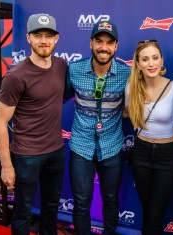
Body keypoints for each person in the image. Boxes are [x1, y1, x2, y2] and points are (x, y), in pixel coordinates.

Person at [0, 13, 67, 235]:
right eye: (37, 35)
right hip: (26, 155)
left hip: (56, 151)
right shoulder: (16, 76)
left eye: (48, 35)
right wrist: (7, 166)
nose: (43, 41)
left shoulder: (62, 65)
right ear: (28, 38)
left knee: (51, 207)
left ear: (56, 39)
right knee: (23, 211)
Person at [65, 21, 130, 235]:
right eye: (99, 41)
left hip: (111, 146)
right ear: (91, 42)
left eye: (109, 43)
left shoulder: (126, 73)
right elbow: (54, 97)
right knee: (82, 202)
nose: (104, 47)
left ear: (116, 46)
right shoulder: (74, 70)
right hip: (81, 146)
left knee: (110, 200)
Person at [124, 40, 173, 235]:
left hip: (167, 155)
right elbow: (126, 113)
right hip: (140, 153)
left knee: (155, 213)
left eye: (155, 58)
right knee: (148, 210)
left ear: (162, 60)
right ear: (138, 64)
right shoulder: (131, 88)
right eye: (145, 59)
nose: (151, 63)